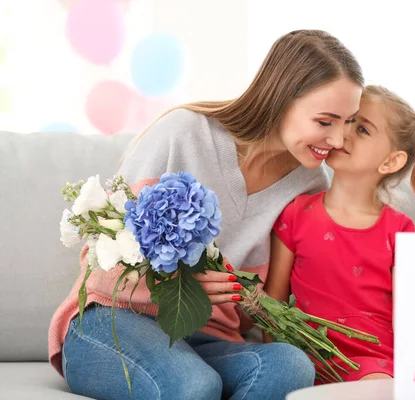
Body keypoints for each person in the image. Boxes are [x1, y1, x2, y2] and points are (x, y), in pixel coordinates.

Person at [48, 30, 364, 400]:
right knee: (196, 385)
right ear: (280, 100)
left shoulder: (310, 184)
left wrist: (250, 301)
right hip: (114, 320)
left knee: (290, 365)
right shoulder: (184, 134)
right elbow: (104, 259)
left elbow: (252, 309)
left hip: (206, 340)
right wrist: (180, 286)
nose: (339, 140)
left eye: (349, 122)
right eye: (326, 122)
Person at [264, 85, 415, 382]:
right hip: (304, 357)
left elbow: (412, 321)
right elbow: (273, 302)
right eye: (348, 120)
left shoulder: (400, 231)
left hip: (373, 365)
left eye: (362, 129)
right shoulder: (295, 214)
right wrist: (279, 366)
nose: (345, 133)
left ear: (391, 161)